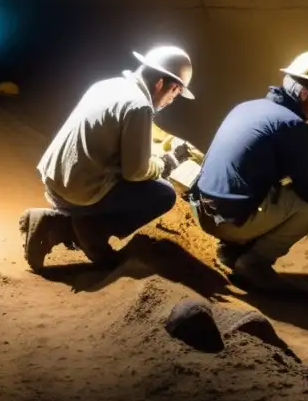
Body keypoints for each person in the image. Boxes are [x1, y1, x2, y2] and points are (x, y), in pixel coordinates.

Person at [188, 50, 308, 292]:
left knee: (275, 189)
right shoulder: (292, 125)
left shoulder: (247, 107)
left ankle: (231, 251)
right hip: (229, 222)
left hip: (203, 212)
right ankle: (254, 263)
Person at [19, 45, 196, 271]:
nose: (172, 100)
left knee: (135, 179)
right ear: (160, 84)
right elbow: (135, 172)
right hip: (78, 193)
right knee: (163, 194)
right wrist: (164, 164)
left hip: (54, 181)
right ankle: (83, 229)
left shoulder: (107, 85)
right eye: (176, 92)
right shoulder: (139, 106)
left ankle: (68, 224)